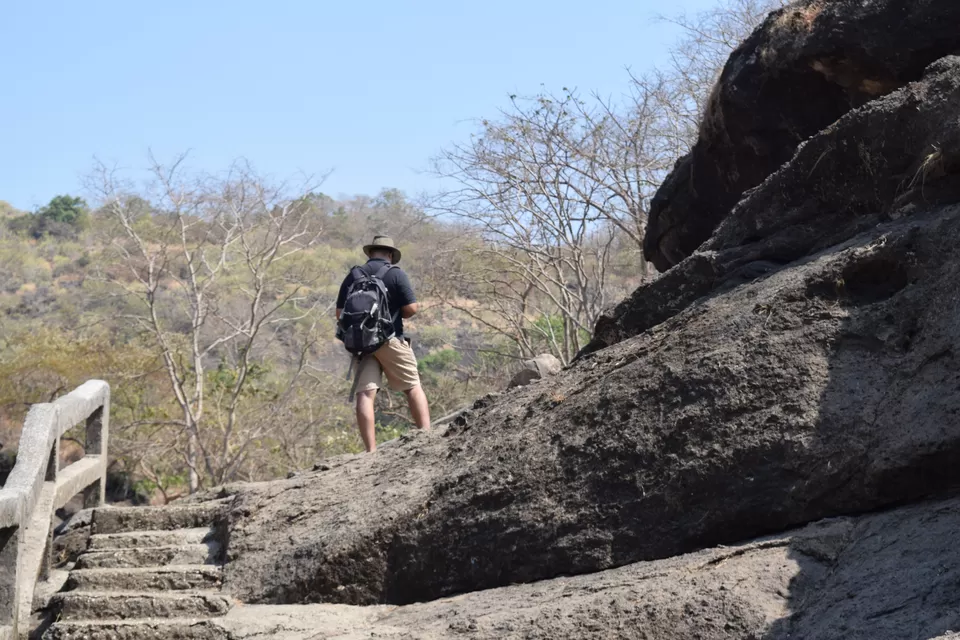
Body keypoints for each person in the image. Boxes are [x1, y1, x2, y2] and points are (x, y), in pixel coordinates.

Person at [336, 235, 430, 452]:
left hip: (362, 344)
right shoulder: (396, 274)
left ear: (370, 253)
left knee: (365, 394)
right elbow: (412, 308)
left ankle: (370, 451)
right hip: (390, 339)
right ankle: (426, 436)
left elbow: (339, 313)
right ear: (390, 254)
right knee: (412, 386)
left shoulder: (353, 275)